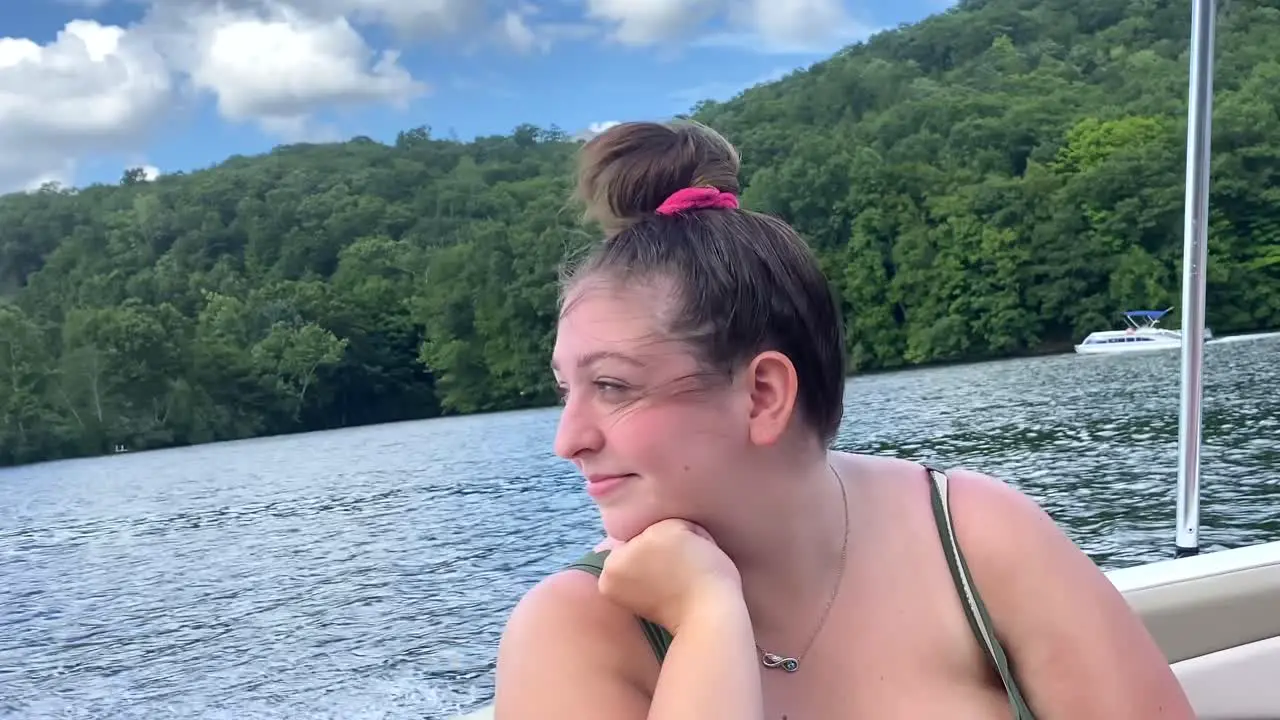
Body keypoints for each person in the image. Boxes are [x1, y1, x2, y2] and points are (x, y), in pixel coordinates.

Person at [493, 119, 1193, 719]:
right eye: (567, 391)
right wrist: (707, 620)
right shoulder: (573, 631)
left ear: (763, 395)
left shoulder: (977, 537)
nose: (568, 440)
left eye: (612, 386)